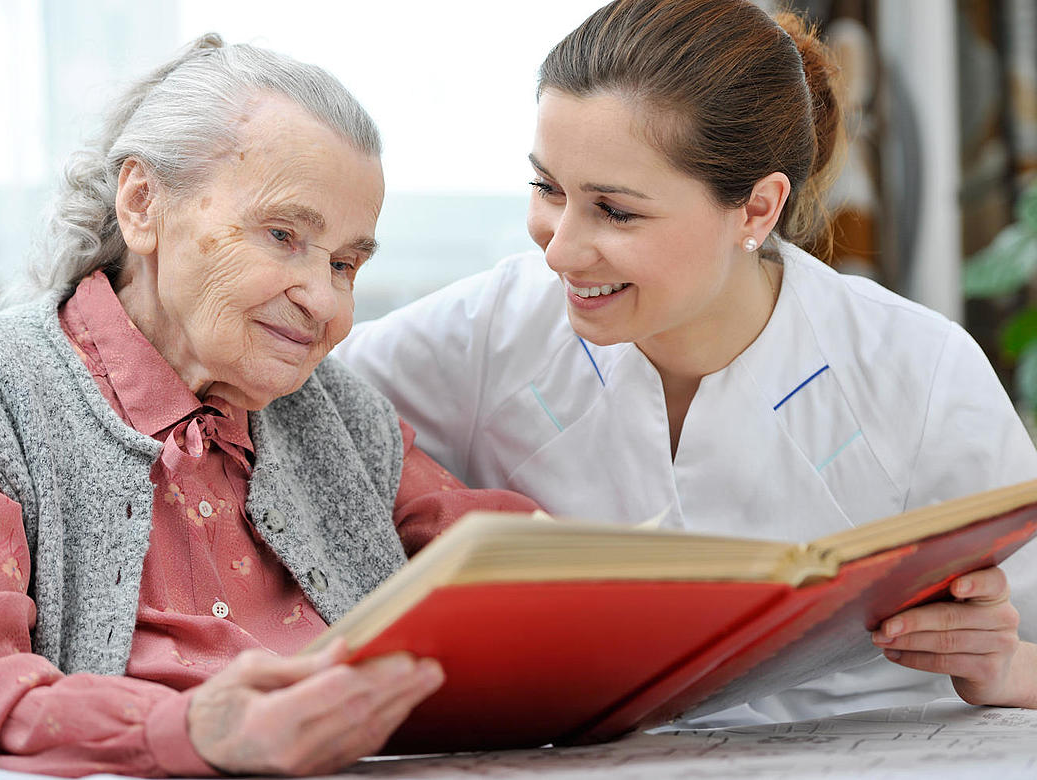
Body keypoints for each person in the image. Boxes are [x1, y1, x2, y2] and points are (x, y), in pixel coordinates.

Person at [337, 0, 1037, 725]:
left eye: (616, 210)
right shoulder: (489, 332)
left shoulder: (917, 372)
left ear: (757, 210)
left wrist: (1004, 665)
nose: (559, 249)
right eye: (548, 188)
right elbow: (290, 408)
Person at [0, 35, 537, 777]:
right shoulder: (9, 392)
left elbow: (511, 569)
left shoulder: (342, 416)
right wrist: (197, 728)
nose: (324, 301)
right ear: (142, 203)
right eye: (284, 235)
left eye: (345, 263)